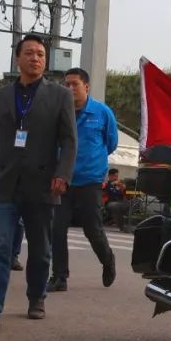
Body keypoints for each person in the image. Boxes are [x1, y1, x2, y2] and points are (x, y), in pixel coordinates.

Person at [0, 35, 77, 331]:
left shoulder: (60, 96)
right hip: (4, 183)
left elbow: (69, 140)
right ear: (17, 59)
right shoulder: (0, 97)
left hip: (42, 183)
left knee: (41, 249)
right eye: (29, 53)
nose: (36, 58)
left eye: (41, 54)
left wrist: (62, 174)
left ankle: (36, 297)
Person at [47, 67, 120, 292]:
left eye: (74, 84)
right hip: (63, 181)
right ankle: (59, 277)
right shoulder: (59, 112)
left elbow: (111, 143)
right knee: (57, 229)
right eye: (66, 84)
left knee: (93, 229)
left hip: (90, 182)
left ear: (86, 87)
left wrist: (92, 162)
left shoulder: (102, 112)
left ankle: (108, 260)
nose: (69, 88)